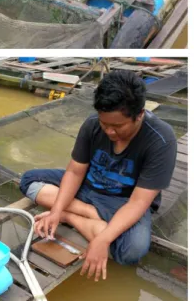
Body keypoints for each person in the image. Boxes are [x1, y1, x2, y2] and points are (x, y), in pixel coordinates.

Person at [19, 70, 177, 281]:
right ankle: (89, 214)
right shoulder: (92, 125)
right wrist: (56, 212)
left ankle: (73, 216)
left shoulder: (161, 140)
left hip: (123, 201)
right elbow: (75, 171)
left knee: (132, 251)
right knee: (29, 180)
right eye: (105, 124)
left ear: (139, 114)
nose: (110, 132)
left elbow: (139, 202)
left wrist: (102, 240)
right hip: (88, 186)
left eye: (118, 126)